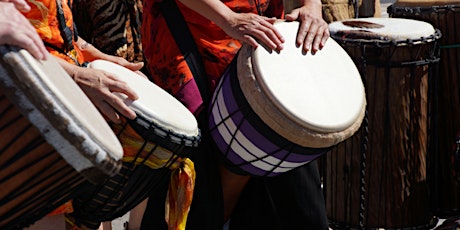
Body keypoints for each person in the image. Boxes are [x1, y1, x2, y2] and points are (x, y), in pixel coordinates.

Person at [140, 0, 330, 229]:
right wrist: (228, 18)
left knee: (285, 142)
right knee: (198, 167)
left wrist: (312, 7)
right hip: (189, 32)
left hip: (261, 30)